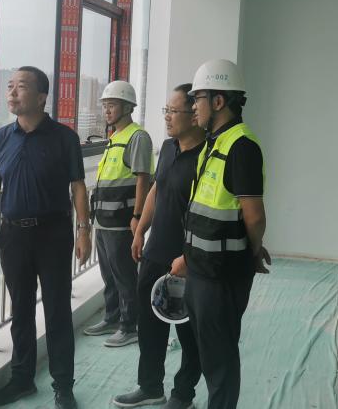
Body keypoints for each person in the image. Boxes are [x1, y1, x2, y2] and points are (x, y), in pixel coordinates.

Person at [0, 66, 91, 409]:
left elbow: (78, 186)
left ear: (42, 97)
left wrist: (84, 230)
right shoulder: (1, 138)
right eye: (9, 86)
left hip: (53, 234)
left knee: (57, 311)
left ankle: (63, 386)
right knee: (21, 310)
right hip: (13, 235)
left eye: (21, 87)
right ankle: (22, 379)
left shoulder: (64, 138)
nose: (12, 93)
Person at [182, 59, 270, 409]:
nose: (193, 106)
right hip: (202, 268)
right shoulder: (214, 143)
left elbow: (254, 216)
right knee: (207, 352)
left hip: (221, 275)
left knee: (219, 360)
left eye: (197, 98)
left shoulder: (242, 146)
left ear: (218, 101)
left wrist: (253, 250)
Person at [113, 84, 204, 409]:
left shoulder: (207, 157)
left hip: (186, 258)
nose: (166, 117)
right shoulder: (167, 148)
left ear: (194, 115)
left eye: (173, 111)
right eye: (166, 110)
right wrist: (140, 229)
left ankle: (183, 394)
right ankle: (150, 386)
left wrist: (188, 257)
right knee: (150, 324)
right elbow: (156, 188)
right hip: (156, 252)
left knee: (190, 331)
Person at [84, 81, 154, 348]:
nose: (107, 110)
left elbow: (143, 179)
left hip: (122, 222)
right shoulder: (114, 138)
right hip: (104, 221)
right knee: (109, 276)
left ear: (127, 107)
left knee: (125, 276)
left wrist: (137, 217)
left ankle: (129, 326)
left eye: (111, 105)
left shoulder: (137, 137)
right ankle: (112, 318)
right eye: (105, 105)